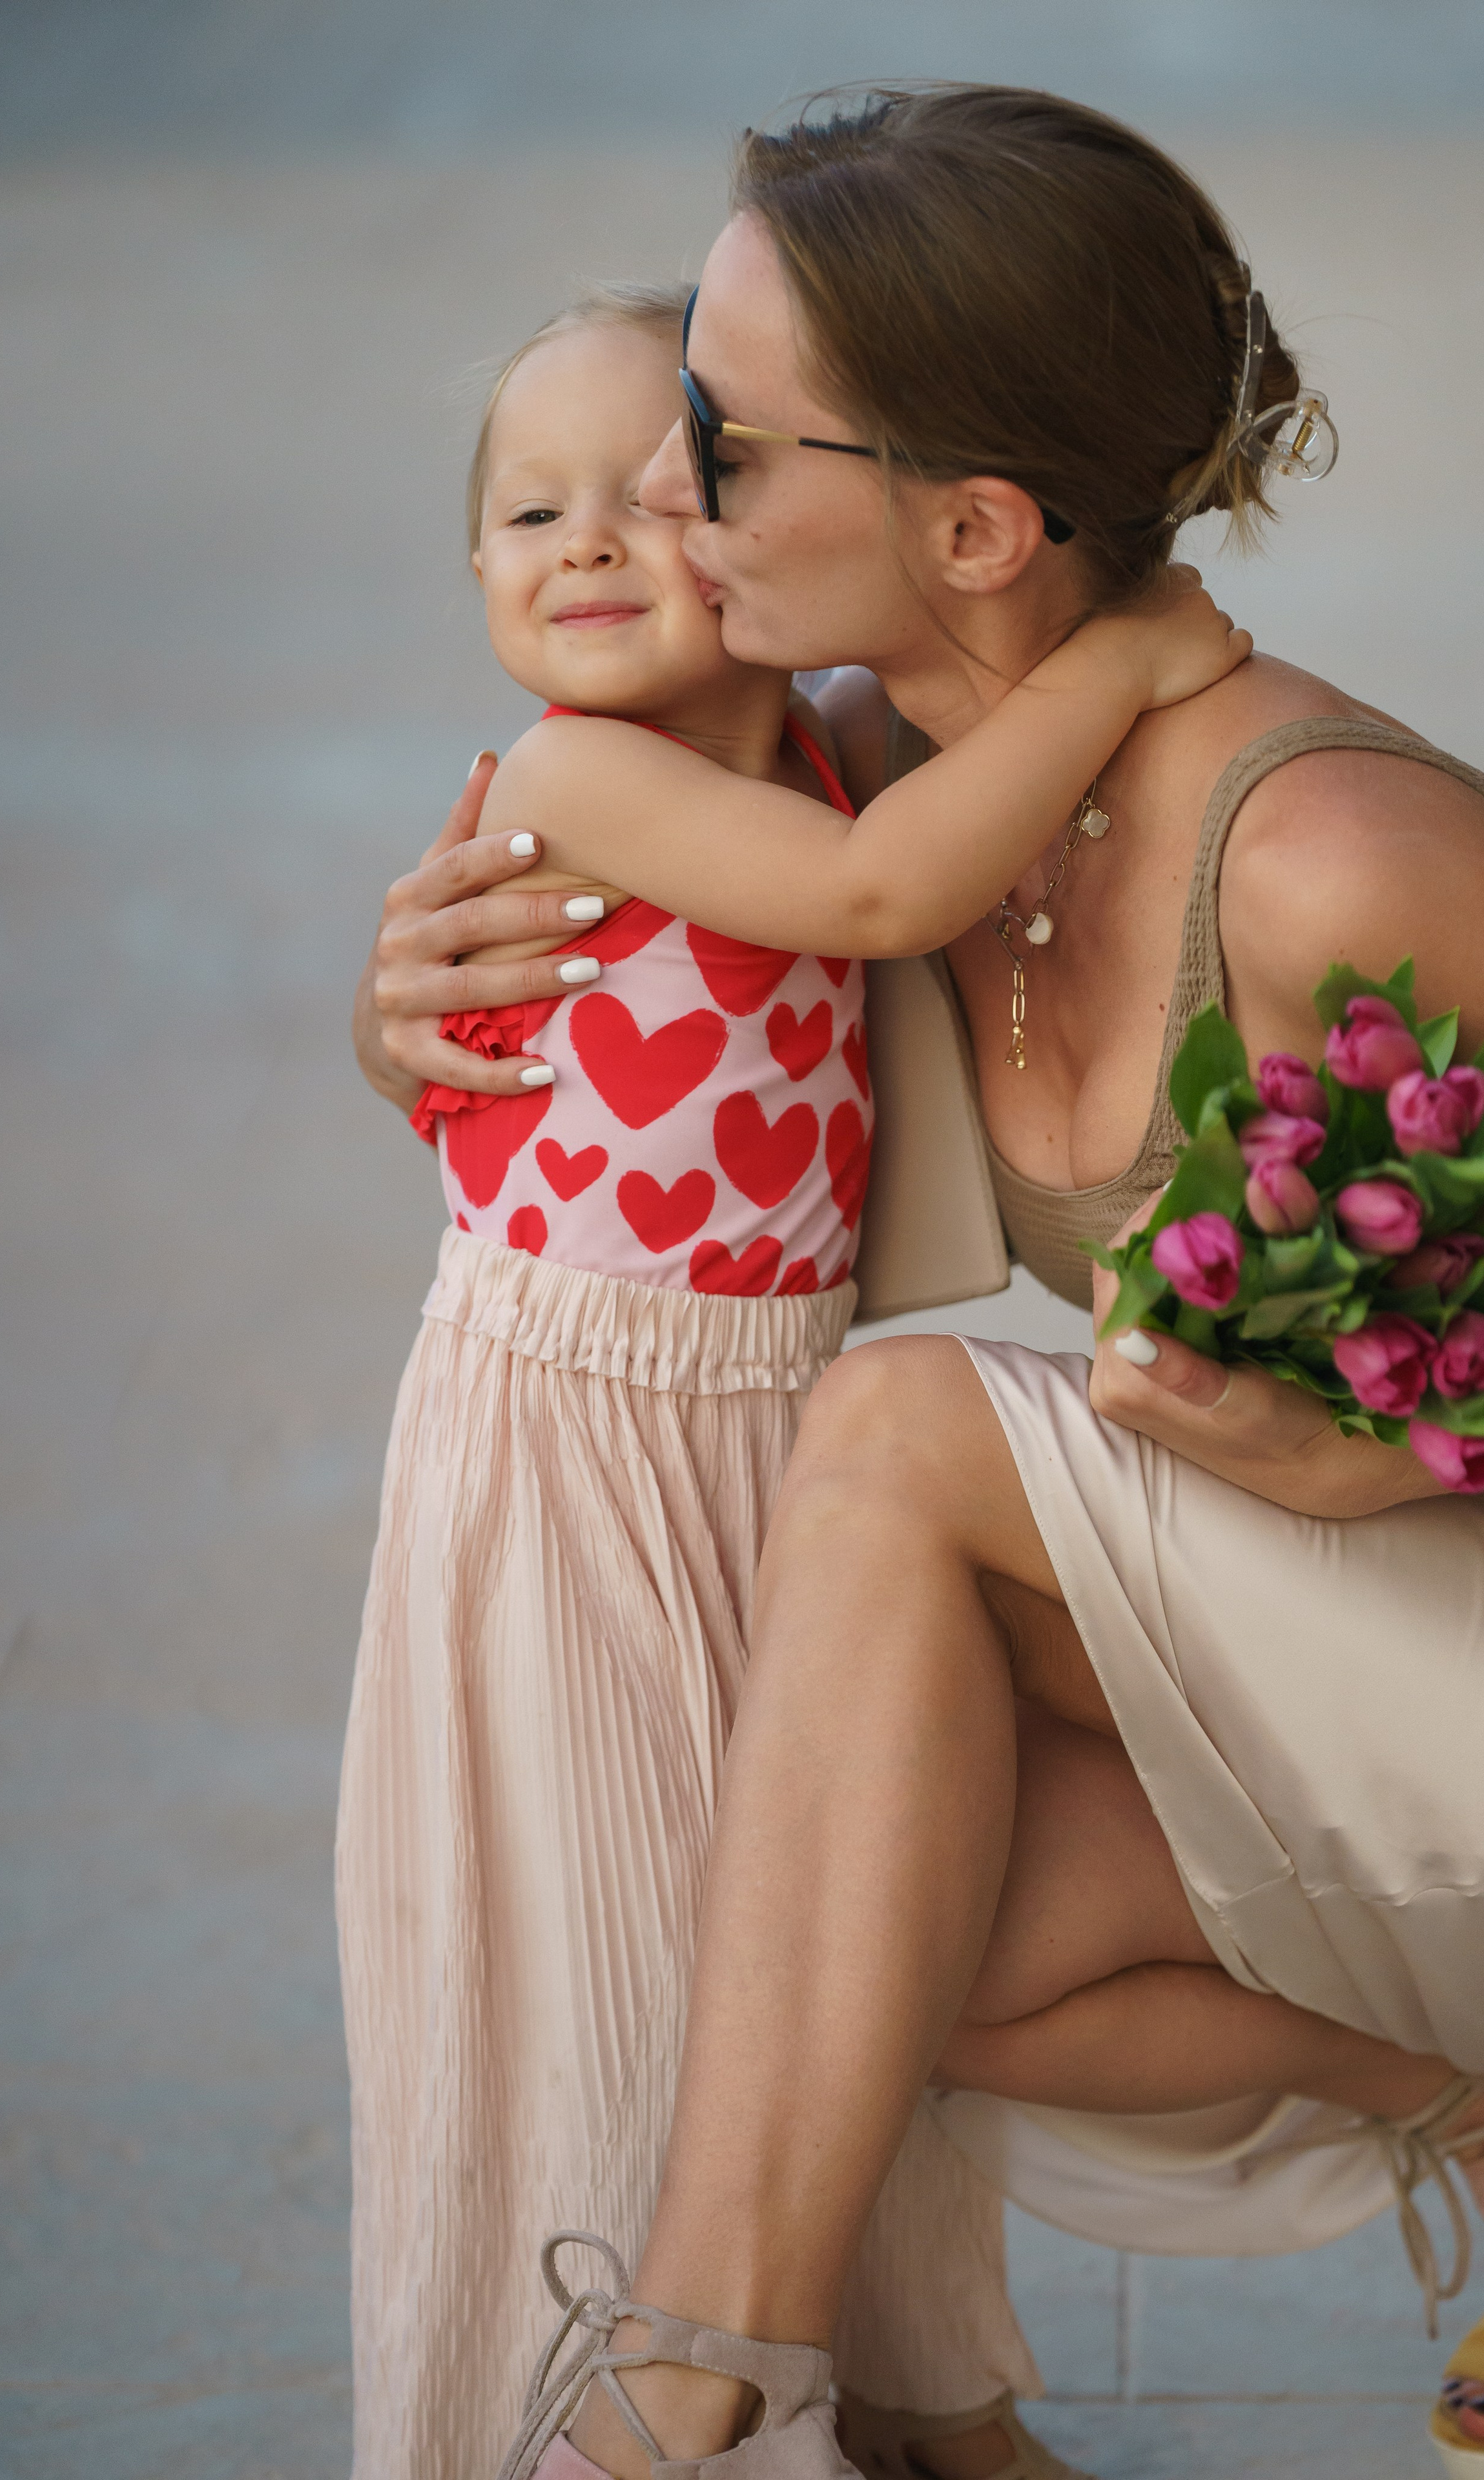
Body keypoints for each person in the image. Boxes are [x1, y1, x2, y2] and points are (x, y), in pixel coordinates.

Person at [355, 85, 1484, 2480]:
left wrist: (1365, 1429)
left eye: (721, 438)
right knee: (870, 1943)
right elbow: (683, 1045)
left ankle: (676, 2397)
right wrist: (413, 1027)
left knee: (893, 1438)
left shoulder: (1333, 858)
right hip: (1355, 1659)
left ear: (975, 527)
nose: (661, 486)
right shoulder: (859, 791)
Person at [335, 271, 1245, 2480]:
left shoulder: (831, 721)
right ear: (474, 577)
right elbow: (865, 898)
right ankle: (638, 2408)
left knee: (850, 1930)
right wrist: (1137, 651)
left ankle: (924, 2389)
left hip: (778, 1435)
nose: (585, 542)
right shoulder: (587, 774)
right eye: (528, 510)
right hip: (573, 1447)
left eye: (653, 494)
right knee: (635, 1947)